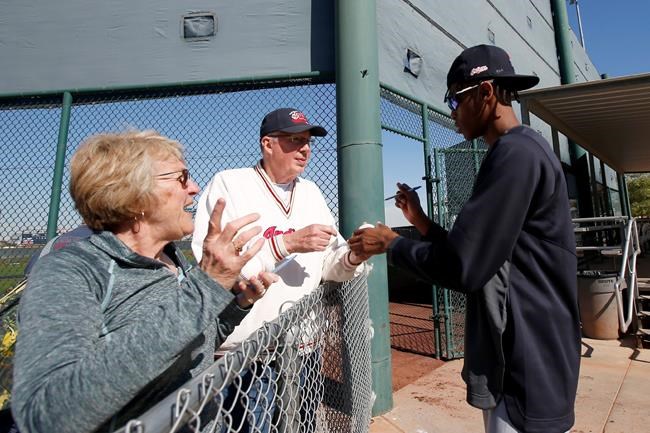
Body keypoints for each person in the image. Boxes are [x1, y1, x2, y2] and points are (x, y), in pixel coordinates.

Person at [349, 45, 579, 433]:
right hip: (525, 357)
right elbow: (478, 253)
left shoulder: (516, 153)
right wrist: (419, 221)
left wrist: (391, 244)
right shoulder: (520, 149)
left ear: (486, 93)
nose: (452, 111)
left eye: (456, 99)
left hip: (527, 362)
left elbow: (464, 268)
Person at [11, 130, 277, 433]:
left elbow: (191, 345)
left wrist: (235, 304)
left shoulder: (170, 259)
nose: (194, 188)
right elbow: (48, 416)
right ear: (134, 193)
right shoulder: (72, 270)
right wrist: (205, 287)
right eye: (181, 177)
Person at [192, 108, 368, 432]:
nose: (306, 149)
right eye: (295, 140)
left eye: (308, 141)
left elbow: (330, 265)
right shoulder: (229, 184)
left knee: (302, 425)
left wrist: (355, 255)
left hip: (305, 347)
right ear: (267, 144)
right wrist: (287, 244)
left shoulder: (312, 192)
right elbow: (221, 272)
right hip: (249, 355)